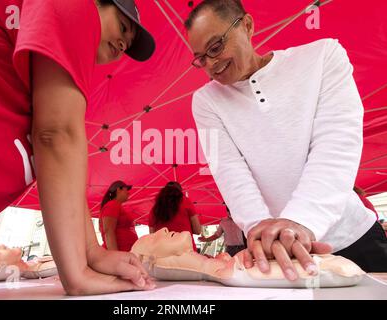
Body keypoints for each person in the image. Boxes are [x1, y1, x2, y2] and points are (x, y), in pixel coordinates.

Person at [0, 0, 156, 295]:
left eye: (127, 44)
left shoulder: (43, 73)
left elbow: (61, 159)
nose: (121, 44)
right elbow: (56, 136)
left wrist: (91, 252)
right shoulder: (76, 5)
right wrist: (77, 273)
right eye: (122, 27)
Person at [185, 0, 387, 278]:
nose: (211, 65)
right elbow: (231, 173)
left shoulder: (322, 56)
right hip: (272, 252)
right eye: (201, 58)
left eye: (216, 47)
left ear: (247, 25)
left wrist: (300, 221)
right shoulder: (206, 101)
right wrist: (261, 231)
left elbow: (336, 144)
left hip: (352, 237)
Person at [131, 228, 365, 288]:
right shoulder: (158, 264)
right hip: (236, 271)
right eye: (153, 237)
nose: (161, 230)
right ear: (151, 259)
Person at [149, 182, 201, 251]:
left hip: (163, 252)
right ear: (180, 192)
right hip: (186, 251)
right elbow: (197, 230)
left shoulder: (155, 209)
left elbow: (152, 235)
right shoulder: (185, 201)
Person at [99, 180, 138, 252]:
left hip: (125, 253)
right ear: (118, 189)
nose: (128, 193)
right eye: (126, 190)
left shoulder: (116, 206)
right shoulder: (112, 205)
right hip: (119, 254)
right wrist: (115, 255)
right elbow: (108, 231)